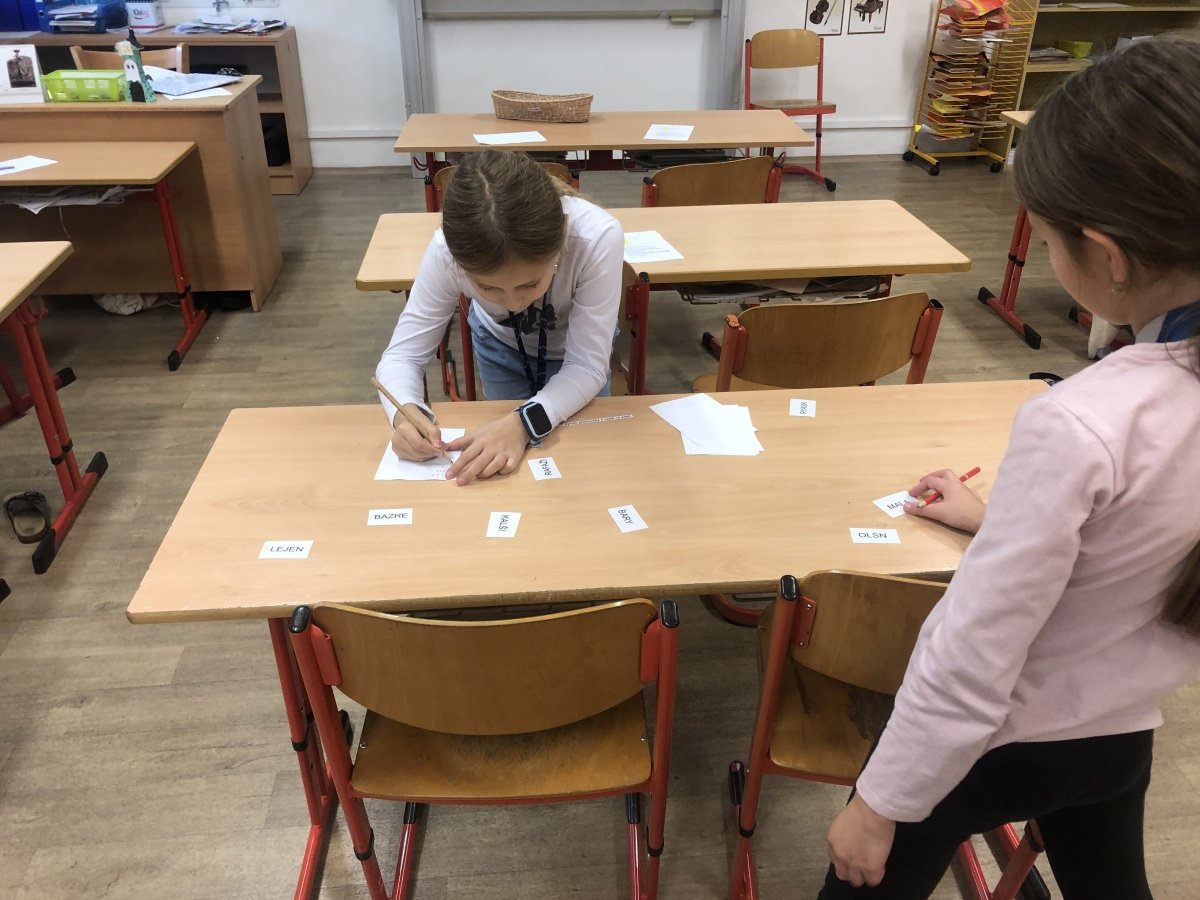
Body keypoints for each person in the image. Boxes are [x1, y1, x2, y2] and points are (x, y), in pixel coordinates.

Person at [822, 33, 1200, 898]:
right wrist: (1001, 521)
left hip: (994, 746)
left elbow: (973, 652)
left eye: (1051, 239)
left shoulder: (1080, 421)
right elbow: (1146, 534)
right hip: (1120, 732)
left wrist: (878, 802)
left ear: (1107, 257)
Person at [375, 150, 623, 486]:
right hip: (501, 349)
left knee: (584, 470)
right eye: (488, 288)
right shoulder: (447, 251)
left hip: (578, 362)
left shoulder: (597, 237)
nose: (513, 303)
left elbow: (587, 366)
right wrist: (404, 413)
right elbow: (402, 356)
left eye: (530, 284)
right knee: (509, 476)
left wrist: (522, 424)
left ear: (561, 239)